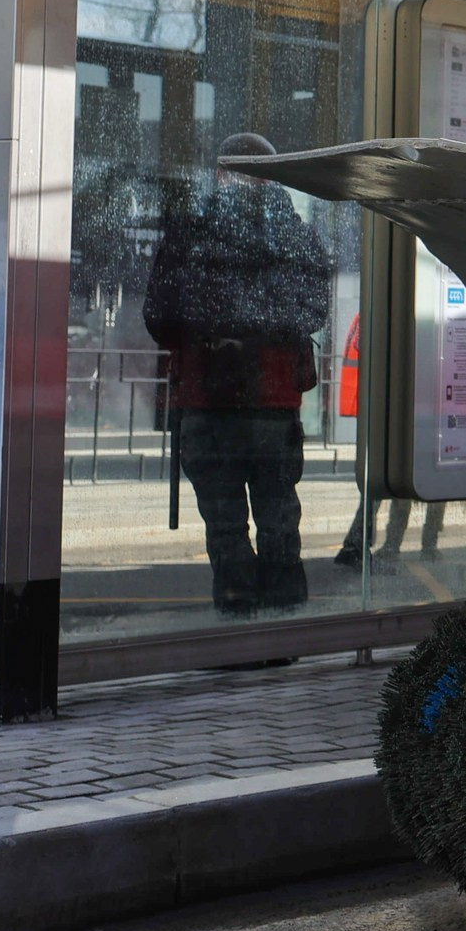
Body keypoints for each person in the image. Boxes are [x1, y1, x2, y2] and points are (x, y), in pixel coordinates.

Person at [144, 134, 331, 615]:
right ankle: (283, 624)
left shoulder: (190, 231)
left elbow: (159, 315)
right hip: (273, 404)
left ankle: (238, 625)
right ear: (273, 177)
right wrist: (263, 337)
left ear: (220, 172)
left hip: (206, 403)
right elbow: (312, 311)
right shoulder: (295, 234)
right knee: (278, 520)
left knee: (224, 524)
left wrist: (210, 337)